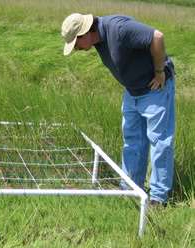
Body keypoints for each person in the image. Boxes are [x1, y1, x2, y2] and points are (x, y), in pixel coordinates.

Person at [61, 13, 176, 207]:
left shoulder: (119, 29)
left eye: (76, 43)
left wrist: (159, 72)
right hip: (132, 92)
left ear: (85, 32)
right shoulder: (98, 40)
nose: (76, 49)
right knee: (133, 141)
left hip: (155, 89)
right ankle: (130, 185)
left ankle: (158, 198)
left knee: (159, 142)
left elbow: (157, 37)